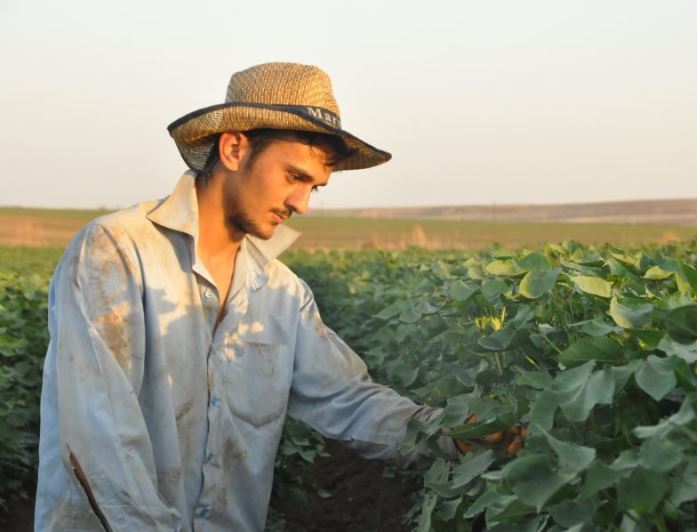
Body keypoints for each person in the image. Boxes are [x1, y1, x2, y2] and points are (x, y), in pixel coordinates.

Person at [35, 62, 519, 531]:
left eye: (315, 186)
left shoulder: (284, 295)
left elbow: (349, 401)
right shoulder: (117, 253)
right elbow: (101, 441)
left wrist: (457, 432)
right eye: (293, 177)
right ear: (233, 149)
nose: (302, 204)